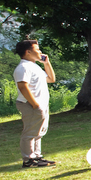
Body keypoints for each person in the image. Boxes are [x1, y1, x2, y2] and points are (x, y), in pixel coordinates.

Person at [13, 38, 57, 168]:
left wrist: (47, 63)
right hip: (30, 104)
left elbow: (51, 79)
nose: (40, 52)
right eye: (37, 50)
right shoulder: (23, 68)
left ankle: (37, 157)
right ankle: (28, 160)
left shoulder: (34, 66)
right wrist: (35, 105)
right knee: (30, 132)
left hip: (39, 104)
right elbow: (22, 87)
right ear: (28, 52)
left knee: (39, 132)